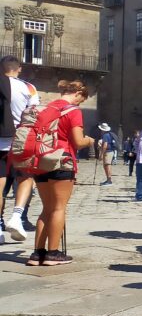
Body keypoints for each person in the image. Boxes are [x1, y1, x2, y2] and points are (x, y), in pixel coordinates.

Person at [28, 80, 94, 266]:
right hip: (62, 160)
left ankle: (37, 254)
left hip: (40, 160)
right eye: (81, 100)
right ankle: (53, 254)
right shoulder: (73, 111)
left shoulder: (45, 109)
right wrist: (89, 141)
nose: (79, 103)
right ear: (78, 94)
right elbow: (78, 141)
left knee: (46, 208)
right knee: (58, 208)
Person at [0, 55, 40, 243]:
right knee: (26, 176)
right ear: (19, 69)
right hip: (18, 141)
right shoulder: (28, 88)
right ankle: (17, 216)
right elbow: (33, 116)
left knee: (0, 186)